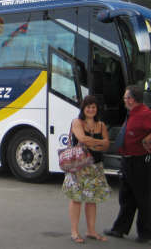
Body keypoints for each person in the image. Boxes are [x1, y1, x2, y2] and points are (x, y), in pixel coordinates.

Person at [105, 85, 151, 243]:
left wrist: (147, 140)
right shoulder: (132, 113)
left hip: (139, 161)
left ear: (132, 99)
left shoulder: (144, 113)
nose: (124, 100)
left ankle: (145, 233)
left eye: (125, 98)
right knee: (126, 196)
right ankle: (120, 228)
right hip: (128, 159)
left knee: (142, 198)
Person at [62, 95, 111, 244]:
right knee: (76, 199)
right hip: (79, 167)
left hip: (95, 166)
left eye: (93, 107)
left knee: (92, 199)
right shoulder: (77, 122)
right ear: (83, 108)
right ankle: (74, 232)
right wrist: (99, 143)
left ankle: (91, 230)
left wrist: (93, 143)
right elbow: (82, 139)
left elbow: (107, 145)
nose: (91, 110)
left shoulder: (101, 124)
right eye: (88, 107)